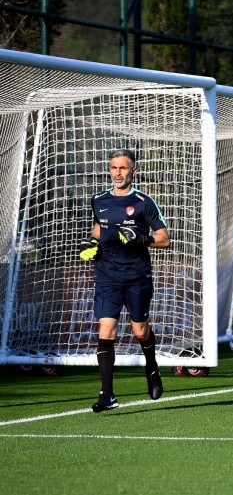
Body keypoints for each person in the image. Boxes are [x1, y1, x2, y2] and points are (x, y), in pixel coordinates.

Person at [79, 148, 171, 413]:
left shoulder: (144, 202)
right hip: (106, 274)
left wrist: (142, 239)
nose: (117, 173)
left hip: (136, 276)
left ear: (133, 171)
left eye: (122, 168)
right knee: (106, 331)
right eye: (113, 168)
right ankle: (107, 394)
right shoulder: (98, 199)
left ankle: (151, 366)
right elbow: (98, 229)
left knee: (140, 330)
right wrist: (91, 244)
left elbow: (165, 238)